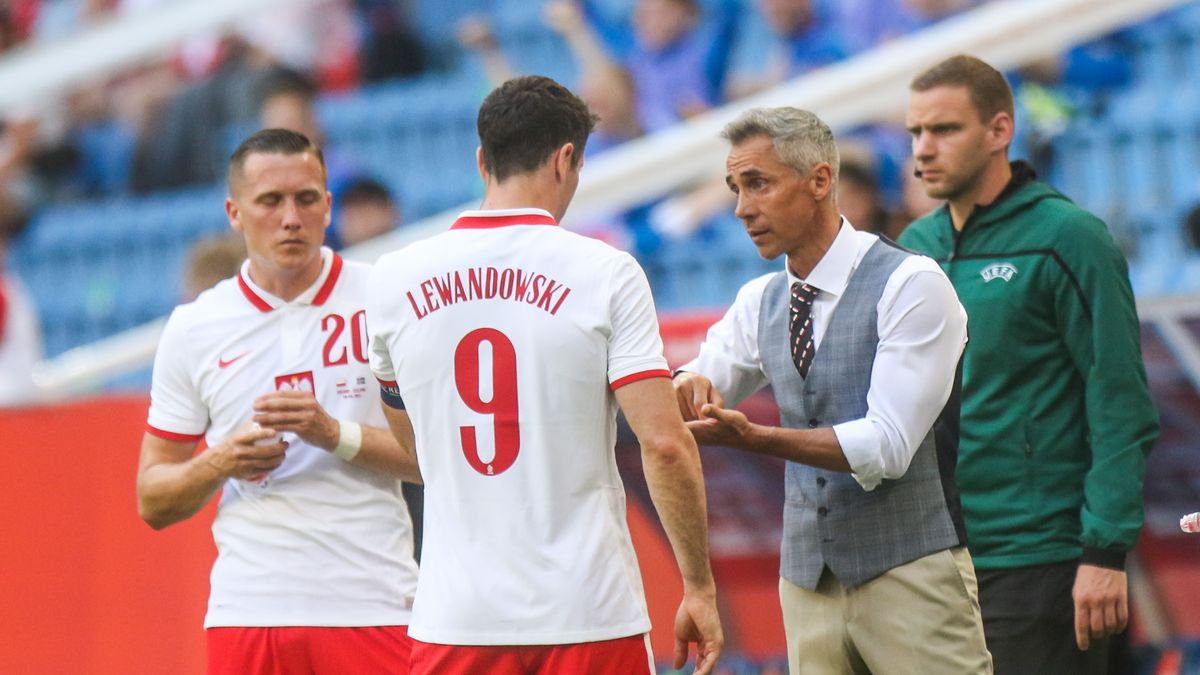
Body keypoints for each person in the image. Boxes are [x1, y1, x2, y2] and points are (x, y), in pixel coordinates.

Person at [366, 75, 723, 675]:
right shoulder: (606, 273)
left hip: (456, 618)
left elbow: (420, 452)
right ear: (566, 160)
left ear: (483, 161)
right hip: (587, 611)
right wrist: (699, 586)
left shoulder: (392, 279)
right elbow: (663, 444)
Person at [673, 106, 991, 674]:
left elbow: (888, 447)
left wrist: (758, 438)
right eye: (735, 188)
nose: (742, 209)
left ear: (821, 180)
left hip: (912, 572)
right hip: (806, 582)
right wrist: (685, 384)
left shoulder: (910, 283)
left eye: (758, 184)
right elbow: (701, 376)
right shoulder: (760, 300)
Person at [898, 55, 1159, 675]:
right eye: (915, 133)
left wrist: (1104, 552)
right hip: (939, 561)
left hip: (1043, 557)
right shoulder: (912, 250)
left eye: (945, 130)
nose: (924, 149)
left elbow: (1118, 400)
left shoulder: (1069, 237)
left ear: (999, 130)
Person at [136, 128, 421, 674]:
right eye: (270, 200)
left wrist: (333, 433)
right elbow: (153, 498)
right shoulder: (195, 327)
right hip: (248, 611)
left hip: (374, 602)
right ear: (235, 212)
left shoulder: (386, 299)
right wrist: (222, 461)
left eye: (306, 198)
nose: (291, 216)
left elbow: (434, 462)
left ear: (328, 205)